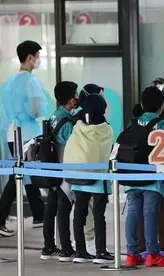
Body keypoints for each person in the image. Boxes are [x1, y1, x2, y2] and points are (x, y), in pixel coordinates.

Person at [124, 87, 164, 268]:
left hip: (131, 175)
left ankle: (132, 254)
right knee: (150, 214)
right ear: (161, 106)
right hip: (153, 177)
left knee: (133, 213)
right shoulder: (162, 124)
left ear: (142, 104)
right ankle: (152, 254)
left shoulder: (133, 123)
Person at [0, 40, 46, 237]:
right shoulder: (32, 81)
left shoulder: (7, 82)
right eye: (37, 56)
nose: (38, 60)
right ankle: (0, 218)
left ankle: (39, 215)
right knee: (19, 173)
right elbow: (36, 110)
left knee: (26, 171)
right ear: (30, 57)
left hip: (11, 132)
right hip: (26, 133)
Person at [64, 94, 114, 264]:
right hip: (98, 178)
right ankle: (100, 252)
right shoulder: (106, 129)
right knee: (99, 215)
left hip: (78, 175)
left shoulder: (78, 126)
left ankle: (80, 251)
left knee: (79, 214)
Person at [40, 81, 78, 261]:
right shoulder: (67, 122)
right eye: (76, 96)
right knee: (64, 207)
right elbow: (72, 146)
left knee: (51, 207)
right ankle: (66, 249)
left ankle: (48, 247)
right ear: (71, 100)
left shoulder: (54, 116)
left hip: (51, 166)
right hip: (64, 168)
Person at [72, 83, 105, 255]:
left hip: (76, 173)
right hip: (94, 175)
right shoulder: (102, 127)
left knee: (79, 210)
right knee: (93, 210)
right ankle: (94, 246)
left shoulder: (77, 122)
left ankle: (80, 249)